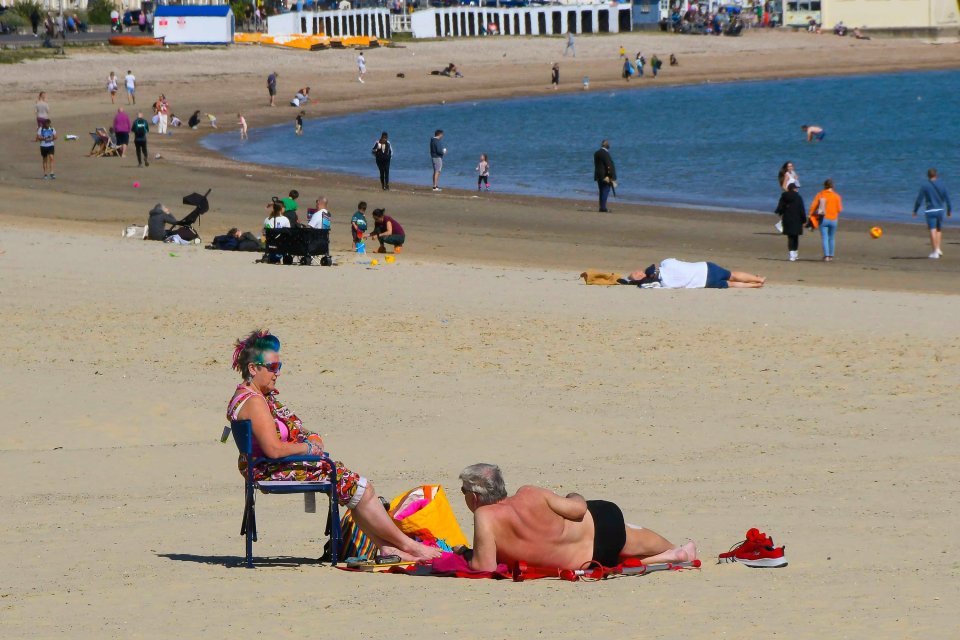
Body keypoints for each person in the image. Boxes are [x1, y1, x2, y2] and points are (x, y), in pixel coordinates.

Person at [227, 330, 444, 562]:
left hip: (270, 465)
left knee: (357, 489)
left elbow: (293, 431)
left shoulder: (255, 396)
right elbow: (274, 450)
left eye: (279, 366)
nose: (277, 373)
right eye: (272, 367)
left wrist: (312, 438)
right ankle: (410, 546)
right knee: (361, 488)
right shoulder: (255, 402)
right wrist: (308, 449)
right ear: (253, 368)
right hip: (271, 468)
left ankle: (387, 547)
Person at [456, 463, 696, 571]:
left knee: (618, 560)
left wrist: (465, 555)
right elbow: (578, 509)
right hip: (601, 522)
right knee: (632, 540)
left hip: (590, 559)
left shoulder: (485, 515)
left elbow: (484, 567)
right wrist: (575, 494)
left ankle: (672, 555)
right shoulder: (530, 493)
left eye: (464, 491)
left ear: (475, 498)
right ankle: (676, 551)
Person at [912, 168, 952, 259]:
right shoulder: (942, 185)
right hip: (940, 210)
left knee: (932, 229)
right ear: (936, 175)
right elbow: (947, 199)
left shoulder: (925, 186)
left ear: (928, 176)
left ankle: (935, 252)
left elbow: (919, 200)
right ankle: (938, 249)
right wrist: (949, 210)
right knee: (939, 229)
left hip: (930, 210)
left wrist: (915, 210)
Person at [808, 179, 843, 262]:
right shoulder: (837, 196)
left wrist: (811, 215)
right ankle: (831, 256)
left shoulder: (820, 194)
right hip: (833, 219)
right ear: (833, 186)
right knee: (832, 238)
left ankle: (826, 256)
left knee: (825, 238)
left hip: (823, 219)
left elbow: (813, 206)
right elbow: (839, 209)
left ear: (824, 185)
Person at [775, 183, 806, 261]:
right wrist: (804, 220)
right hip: (797, 219)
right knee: (795, 237)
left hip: (787, 219)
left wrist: (781, 213)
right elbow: (802, 210)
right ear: (794, 189)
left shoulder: (784, 197)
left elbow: (780, 208)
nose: (797, 189)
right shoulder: (798, 197)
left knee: (790, 237)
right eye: (796, 188)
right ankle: (795, 254)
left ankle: (792, 255)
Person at [593, 139, 616, 213]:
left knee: (601, 191)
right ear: (607, 146)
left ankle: (601, 206)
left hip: (598, 175)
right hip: (605, 176)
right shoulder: (606, 154)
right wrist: (611, 176)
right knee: (605, 190)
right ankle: (603, 208)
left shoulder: (596, 153)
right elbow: (609, 165)